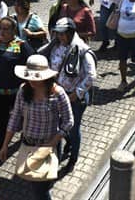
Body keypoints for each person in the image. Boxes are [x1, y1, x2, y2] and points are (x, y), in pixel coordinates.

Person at [0, 55, 73, 200]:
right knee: (35, 184)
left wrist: (52, 143)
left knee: (41, 190)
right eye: (29, 76)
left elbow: (68, 121)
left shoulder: (57, 93)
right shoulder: (23, 90)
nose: (31, 81)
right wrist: (5, 145)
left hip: (48, 146)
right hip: (28, 144)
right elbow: (15, 118)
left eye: (36, 77)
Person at [39, 18, 96, 170]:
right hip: (57, 94)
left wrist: (76, 94)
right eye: (58, 34)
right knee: (58, 126)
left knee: (73, 127)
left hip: (75, 98)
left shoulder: (82, 49)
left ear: (71, 33)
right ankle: (63, 148)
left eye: (63, 34)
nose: (60, 37)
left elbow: (91, 75)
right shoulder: (55, 46)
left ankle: (73, 157)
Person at [0, 16, 34, 156]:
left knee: (22, 118)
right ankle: (1, 148)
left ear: (13, 30)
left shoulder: (22, 46)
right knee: (0, 122)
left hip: (16, 93)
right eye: (1, 29)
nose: (2, 32)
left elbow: (32, 64)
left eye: (5, 29)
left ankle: (24, 139)